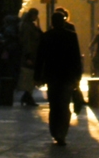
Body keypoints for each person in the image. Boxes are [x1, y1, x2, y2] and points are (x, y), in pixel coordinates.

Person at [35, 11, 82, 145]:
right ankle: (62, 132)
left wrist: (37, 76)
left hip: (52, 76)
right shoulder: (71, 36)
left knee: (54, 105)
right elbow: (76, 58)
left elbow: (40, 58)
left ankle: (55, 131)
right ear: (64, 21)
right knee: (64, 105)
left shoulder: (47, 36)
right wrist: (77, 77)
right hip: (67, 76)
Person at [53, 6, 85, 113]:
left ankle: (66, 109)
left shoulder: (67, 30)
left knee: (66, 90)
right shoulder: (68, 31)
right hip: (64, 66)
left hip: (62, 66)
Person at [18, 8, 42, 106]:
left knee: (31, 77)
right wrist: (28, 56)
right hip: (30, 55)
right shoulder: (27, 27)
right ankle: (27, 96)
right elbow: (26, 41)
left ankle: (27, 96)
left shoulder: (31, 26)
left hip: (33, 55)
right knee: (30, 77)